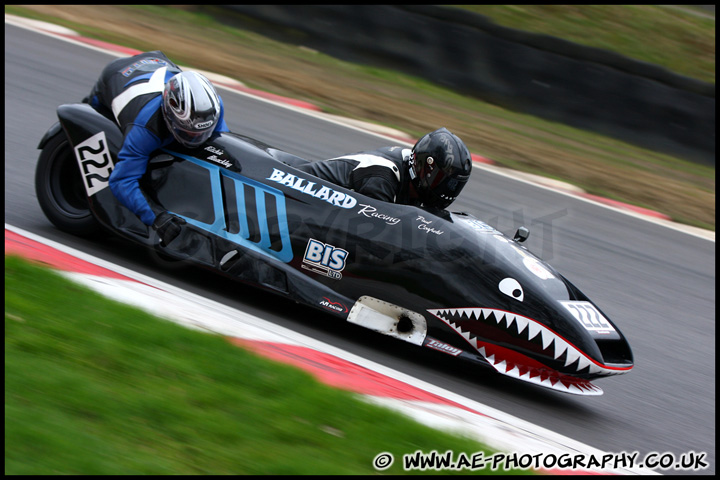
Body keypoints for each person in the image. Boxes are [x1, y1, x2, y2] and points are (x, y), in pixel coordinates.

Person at [85, 50, 229, 246]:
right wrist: (156, 217)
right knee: (95, 132)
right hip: (116, 75)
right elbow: (121, 181)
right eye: (188, 133)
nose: (197, 138)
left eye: (202, 133)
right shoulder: (144, 129)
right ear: (169, 117)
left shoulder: (211, 109)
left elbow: (221, 143)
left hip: (156, 61)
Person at [296, 127, 472, 210]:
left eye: (454, 185)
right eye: (444, 182)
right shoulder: (383, 177)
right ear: (425, 168)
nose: (448, 192)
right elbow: (373, 233)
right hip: (297, 197)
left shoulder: (410, 169)